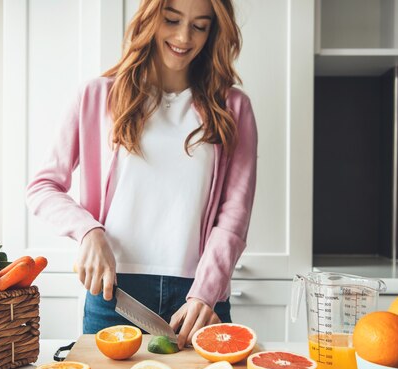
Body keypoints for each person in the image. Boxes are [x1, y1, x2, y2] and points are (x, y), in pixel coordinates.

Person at [26, 0, 257, 349]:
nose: (183, 36)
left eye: (200, 25)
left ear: (213, 32)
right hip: (115, 293)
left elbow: (235, 214)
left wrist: (207, 292)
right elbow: (43, 187)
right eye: (172, 20)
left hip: (199, 300)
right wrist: (89, 232)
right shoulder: (96, 96)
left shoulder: (233, 107)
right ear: (150, 17)